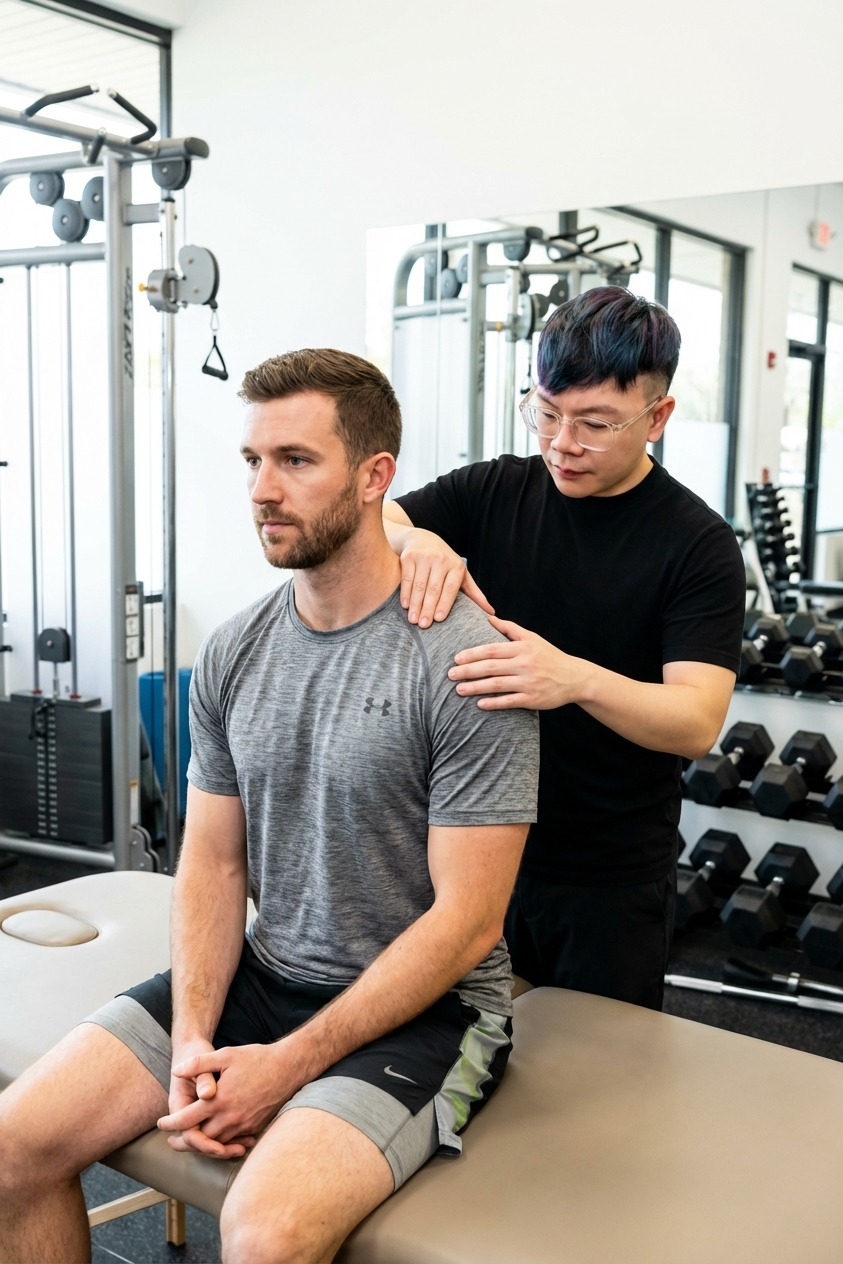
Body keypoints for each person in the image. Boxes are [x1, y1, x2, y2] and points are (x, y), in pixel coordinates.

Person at [0, 349, 538, 1264]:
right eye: (252, 461)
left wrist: (285, 1067)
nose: (262, 490)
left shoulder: (466, 664)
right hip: (267, 973)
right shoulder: (235, 649)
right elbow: (212, 862)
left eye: (295, 460)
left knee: (262, 1236)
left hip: (435, 1012)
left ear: (373, 476)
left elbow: (467, 923)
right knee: (13, 1147)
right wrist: (192, 1042)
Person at [383, 286, 746, 1011]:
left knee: (593, 1071)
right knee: (462, 1054)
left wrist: (573, 678)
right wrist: (413, 539)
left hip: (605, 876)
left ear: (657, 418)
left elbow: (695, 721)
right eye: (546, 413)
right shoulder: (495, 489)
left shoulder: (697, 544)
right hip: (474, 848)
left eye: (595, 424)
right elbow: (376, 519)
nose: (561, 443)